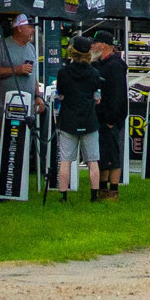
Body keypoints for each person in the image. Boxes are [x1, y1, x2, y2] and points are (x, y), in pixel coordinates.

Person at [53, 36, 104, 198]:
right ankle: (94, 195)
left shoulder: (63, 73)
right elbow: (97, 98)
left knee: (65, 161)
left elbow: (60, 96)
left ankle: (63, 195)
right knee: (93, 161)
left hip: (68, 119)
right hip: (89, 120)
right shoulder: (94, 73)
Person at [90, 26, 129, 199]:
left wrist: (112, 119)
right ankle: (102, 188)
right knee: (103, 154)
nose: (92, 47)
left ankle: (113, 191)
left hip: (111, 117)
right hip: (100, 116)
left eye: (95, 43)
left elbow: (117, 95)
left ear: (104, 45)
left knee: (112, 154)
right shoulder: (99, 64)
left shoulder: (115, 66)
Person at [0, 14, 37, 112]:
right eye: (30, 27)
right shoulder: (1, 46)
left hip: (27, 105)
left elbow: (33, 76)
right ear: (19, 28)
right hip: (5, 106)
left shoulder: (31, 48)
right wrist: (16, 70)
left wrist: (38, 96)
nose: (33, 30)